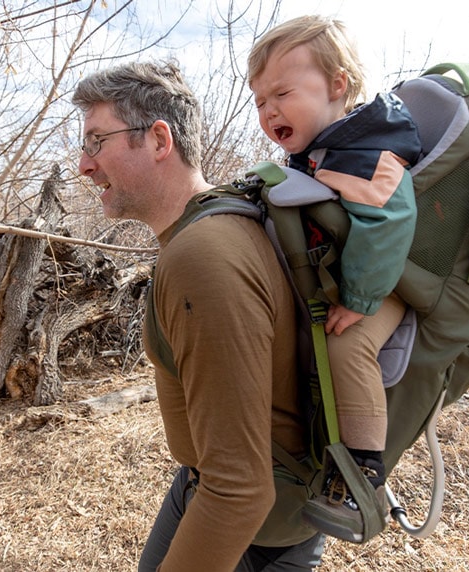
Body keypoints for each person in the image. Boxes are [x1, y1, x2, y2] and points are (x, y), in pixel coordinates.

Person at [73, 61, 325, 571]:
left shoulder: (202, 256)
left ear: (159, 140)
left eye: (97, 141)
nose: (84, 164)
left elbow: (240, 491)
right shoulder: (216, 223)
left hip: (250, 534)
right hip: (210, 489)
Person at [248, 15, 421, 540]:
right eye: (259, 101)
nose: (269, 109)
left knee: (345, 347)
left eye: (281, 93)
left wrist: (359, 299)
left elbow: (390, 223)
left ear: (338, 86)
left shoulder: (367, 152)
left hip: (385, 285)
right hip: (352, 274)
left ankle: (363, 475)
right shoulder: (325, 149)